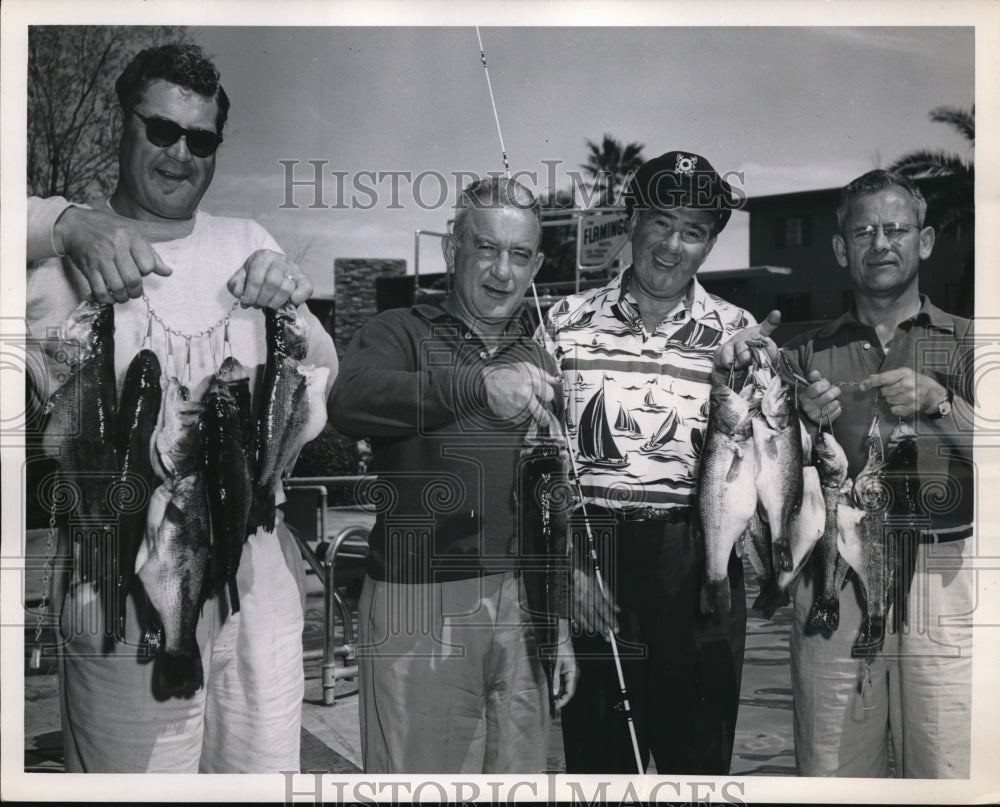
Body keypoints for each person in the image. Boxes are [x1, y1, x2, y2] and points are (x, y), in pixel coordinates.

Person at [26, 43, 338, 773]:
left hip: (254, 579)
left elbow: (325, 376)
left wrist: (292, 299)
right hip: (114, 580)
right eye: (160, 129)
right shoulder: (51, 264)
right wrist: (64, 221)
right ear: (122, 126)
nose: (180, 153)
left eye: (201, 140)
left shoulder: (247, 241)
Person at [328, 176, 577, 774]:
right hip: (418, 600)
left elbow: (553, 508)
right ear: (451, 249)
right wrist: (475, 386)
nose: (502, 271)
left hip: (523, 609)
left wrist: (558, 620)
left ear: (537, 264)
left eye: (520, 255)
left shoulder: (541, 361)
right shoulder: (399, 331)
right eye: (486, 248)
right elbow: (348, 399)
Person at [543, 150, 752, 774]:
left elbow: (770, 461)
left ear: (710, 245)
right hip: (592, 558)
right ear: (631, 219)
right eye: (661, 222)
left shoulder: (740, 334)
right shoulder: (562, 323)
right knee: (601, 761)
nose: (672, 246)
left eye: (694, 232)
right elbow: (537, 464)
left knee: (699, 761)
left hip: (699, 559)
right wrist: (566, 572)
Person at [778, 170, 973, 777]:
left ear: (926, 241)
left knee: (948, 771)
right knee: (832, 772)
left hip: (943, 580)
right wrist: (800, 424)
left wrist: (941, 403)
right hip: (834, 577)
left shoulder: (972, 343)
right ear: (841, 250)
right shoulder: (806, 354)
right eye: (863, 232)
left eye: (896, 229)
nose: (881, 243)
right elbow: (763, 468)